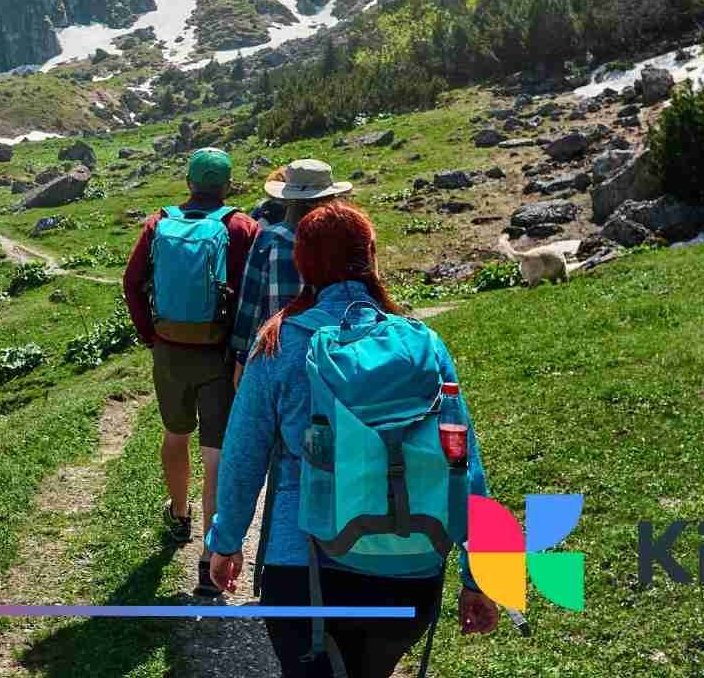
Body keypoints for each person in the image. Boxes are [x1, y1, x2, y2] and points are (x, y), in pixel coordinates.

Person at [205, 202, 499, 678]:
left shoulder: (279, 344)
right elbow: (464, 464)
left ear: (303, 263)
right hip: (409, 566)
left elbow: (243, 456)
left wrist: (226, 542)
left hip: (302, 566)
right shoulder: (423, 345)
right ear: (371, 257)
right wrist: (479, 575)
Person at [122, 147, 259, 597]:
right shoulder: (239, 227)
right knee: (215, 454)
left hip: (169, 350)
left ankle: (179, 515)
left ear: (189, 182)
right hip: (219, 355)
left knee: (174, 434)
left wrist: (151, 335)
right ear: (227, 184)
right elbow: (249, 295)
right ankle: (208, 557)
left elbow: (132, 281)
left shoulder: (159, 222)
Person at [232, 160, 349, 389]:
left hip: (278, 350)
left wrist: (241, 357)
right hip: (336, 351)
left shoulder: (270, 239)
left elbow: (250, 303)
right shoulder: (345, 237)